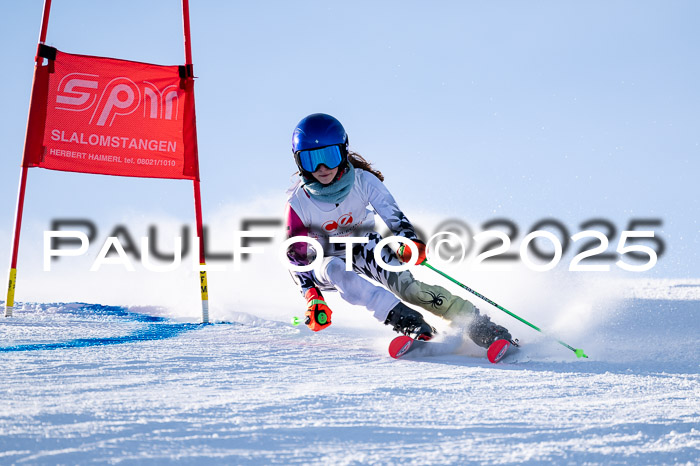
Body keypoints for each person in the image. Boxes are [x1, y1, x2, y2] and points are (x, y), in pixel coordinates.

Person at [284, 113, 512, 349]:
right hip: (323, 260)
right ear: (299, 162)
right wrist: (312, 297)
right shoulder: (299, 203)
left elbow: (394, 217)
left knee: (410, 288)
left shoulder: (363, 181)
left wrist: (408, 242)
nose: (322, 168)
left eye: (329, 157)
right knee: (338, 271)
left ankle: (480, 325)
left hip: (363, 246)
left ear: (343, 152)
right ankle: (408, 322)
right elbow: (295, 257)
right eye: (312, 160)